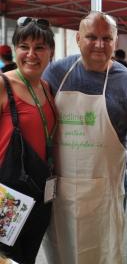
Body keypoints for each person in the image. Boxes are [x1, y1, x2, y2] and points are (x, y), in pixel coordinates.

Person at [41, 11, 127, 264]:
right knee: (62, 252)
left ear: (116, 41)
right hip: (60, 188)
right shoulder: (56, 73)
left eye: (106, 38)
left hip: (107, 188)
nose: (99, 44)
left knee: (104, 251)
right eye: (91, 36)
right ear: (79, 39)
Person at [0, 17, 56, 263]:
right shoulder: (3, 85)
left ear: (50, 52)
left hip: (41, 195)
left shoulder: (46, 87)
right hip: (7, 197)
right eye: (24, 46)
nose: (31, 54)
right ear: (15, 49)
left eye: (40, 47)